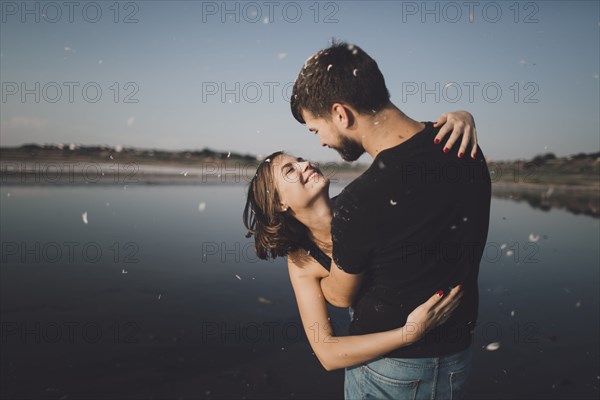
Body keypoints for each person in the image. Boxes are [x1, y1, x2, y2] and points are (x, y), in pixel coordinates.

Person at [287, 41, 492, 399]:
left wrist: (306, 264)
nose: (319, 144)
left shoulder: (360, 201)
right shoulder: (466, 149)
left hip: (392, 369)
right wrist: (464, 115)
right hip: (457, 359)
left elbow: (338, 295)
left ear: (341, 113)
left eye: (315, 130)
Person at [242, 110, 477, 373]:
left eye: (299, 159)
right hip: (375, 364)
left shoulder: (362, 206)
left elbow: (418, 180)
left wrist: (460, 117)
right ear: (279, 203)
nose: (305, 164)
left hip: (440, 356)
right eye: (290, 169)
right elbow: (327, 353)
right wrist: (409, 333)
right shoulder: (301, 261)